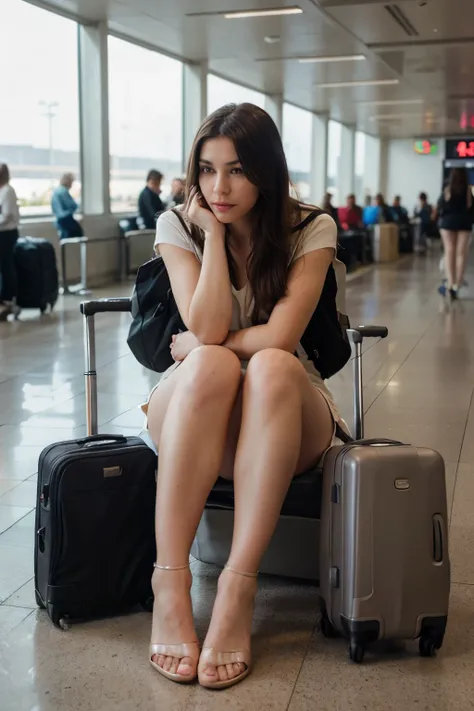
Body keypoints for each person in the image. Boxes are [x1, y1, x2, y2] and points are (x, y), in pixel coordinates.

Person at [142, 103, 347, 690]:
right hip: (197, 411)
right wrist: (209, 234)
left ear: (267, 170)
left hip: (283, 417)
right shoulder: (180, 224)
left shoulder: (312, 227)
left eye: (235, 170)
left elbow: (280, 337)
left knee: (275, 366)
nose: (219, 187)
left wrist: (218, 345)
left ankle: (237, 587)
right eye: (206, 170)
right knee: (209, 361)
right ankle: (170, 582)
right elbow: (204, 330)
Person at [434, 168, 474, 300]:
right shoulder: (468, 190)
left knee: (449, 251)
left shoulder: (447, 189)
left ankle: (450, 284)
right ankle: (458, 283)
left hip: (448, 223)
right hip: (464, 222)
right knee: (461, 253)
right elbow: (471, 208)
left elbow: (440, 206)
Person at [0, 163, 20, 321]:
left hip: (7, 234)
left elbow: (7, 215)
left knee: (6, 265)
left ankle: (8, 299)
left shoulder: (8, 191)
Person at [51, 173, 83, 239]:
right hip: (66, 220)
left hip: (59, 220)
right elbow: (73, 205)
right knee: (79, 236)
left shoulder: (56, 191)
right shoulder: (63, 192)